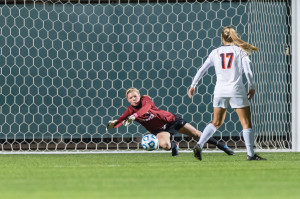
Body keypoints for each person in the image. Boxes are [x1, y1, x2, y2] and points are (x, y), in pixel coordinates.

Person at [188, 27, 266, 161]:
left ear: (221, 38)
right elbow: (248, 72)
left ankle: (199, 144)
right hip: (236, 90)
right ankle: (250, 154)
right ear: (235, 37)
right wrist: (252, 87)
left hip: (220, 91)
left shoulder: (215, 52)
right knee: (246, 123)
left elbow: (202, 70)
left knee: (216, 122)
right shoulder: (240, 51)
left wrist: (193, 85)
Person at [106, 87, 235, 156]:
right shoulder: (130, 110)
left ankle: (223, 146)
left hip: (170, 120)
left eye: (135, 96)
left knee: (196, 134)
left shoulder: (146, 99)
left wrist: (135, 116)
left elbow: (146, 109)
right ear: (128, 100)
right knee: (165, 145)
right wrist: (114, 124)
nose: (134, 99)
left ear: (139, 96)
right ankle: (174, 145)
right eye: (131, 98)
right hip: (160, 130)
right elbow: (122, 119)